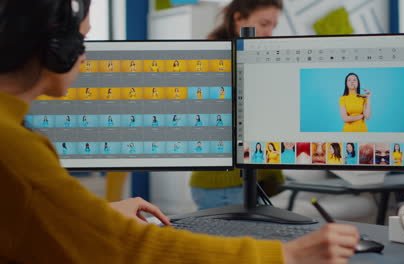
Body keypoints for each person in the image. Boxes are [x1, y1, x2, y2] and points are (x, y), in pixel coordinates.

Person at [1, 0, 360, 262]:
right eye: (82, 41)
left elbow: (36, 215)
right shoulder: (15, 148)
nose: (86, 57)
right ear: (55, 49)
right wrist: (286, 257)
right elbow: (128, 249)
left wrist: (100, 214)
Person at [191, 0, 287, 212]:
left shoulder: (245, 56)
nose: (270, 32)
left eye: (273, 25)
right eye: (264, 24)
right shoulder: (219, 56)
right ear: (239, 18)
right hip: (225, 185)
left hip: (237, 182)